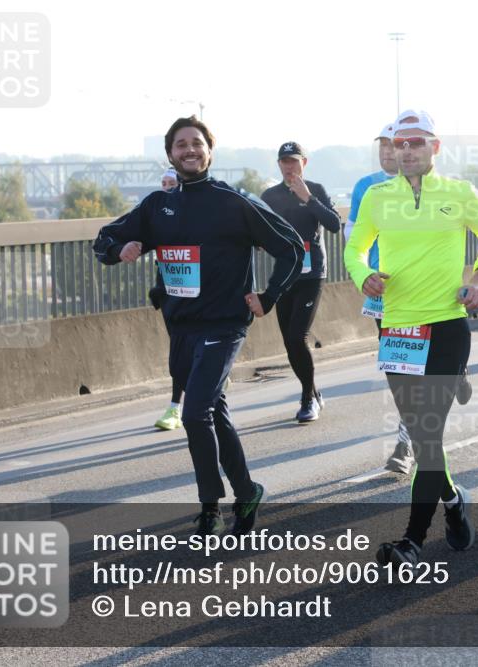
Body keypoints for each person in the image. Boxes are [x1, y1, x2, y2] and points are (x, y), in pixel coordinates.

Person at [94, 116, 305, 536]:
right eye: (180, 144)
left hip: (224, 325)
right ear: (170, 154)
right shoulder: (158, 205)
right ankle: (247, 491)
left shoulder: (234, 202)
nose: (189, 150)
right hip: (181, 327)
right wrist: (122, 249)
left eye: (197, 143)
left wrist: (269, 296)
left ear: (209, 151)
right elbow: (103, 240)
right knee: (214, 412)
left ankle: (210, 506)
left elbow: (292, 248)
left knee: (195, 414)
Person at [345, 109, 478, 567]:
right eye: (400, 143)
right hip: (397, 329)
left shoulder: (459, 192)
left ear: (435, 147)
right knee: (422, 439)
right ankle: (453, 501)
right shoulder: (377, 197)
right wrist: (362, 275)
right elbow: (354, 248)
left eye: (417, 142)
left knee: (428, 432)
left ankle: (412, 541)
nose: (408, 150)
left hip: (447, 325)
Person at [347, 123, 417, 474]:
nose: (387, 152)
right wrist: (364, 274)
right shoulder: (366, 187)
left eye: (393, 145)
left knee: (425, 365)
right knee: (398, 365)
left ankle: (454, 367)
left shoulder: (424, 184)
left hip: (423, 289)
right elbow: (352, 238)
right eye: (382, 146)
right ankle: (407, 439)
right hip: (383, 290)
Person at [261, 142, 341, 423]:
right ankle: (314, 393)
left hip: (312, 274)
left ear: (304, 163)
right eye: (284, 161)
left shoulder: (315, 189)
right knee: (290, 342)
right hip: (285, 275)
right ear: (279, 165)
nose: (289, 166)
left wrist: (308, 199)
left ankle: (307, 399)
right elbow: (259, 230)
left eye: (294, 161)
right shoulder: (270, 196)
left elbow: (334, 225)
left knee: (298, 336)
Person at [153, 169, 184, 431]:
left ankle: (175, 408)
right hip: (167, 290)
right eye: (163, 183)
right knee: (178, 347)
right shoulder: (156, 212)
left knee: (183, 349)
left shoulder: (195, 211)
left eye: (171, 183)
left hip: (194, 292)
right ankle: (216, 377)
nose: (166, 187)